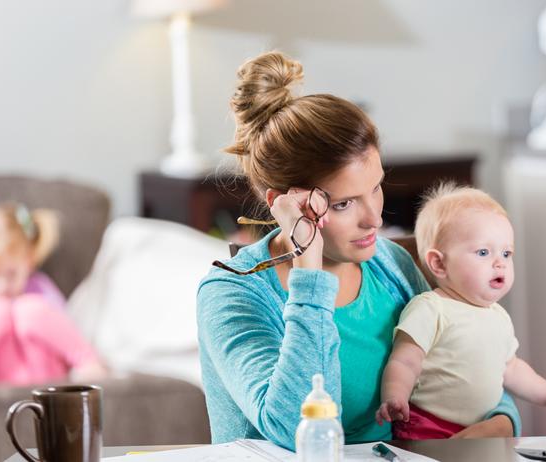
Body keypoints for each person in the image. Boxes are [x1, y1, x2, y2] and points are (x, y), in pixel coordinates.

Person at [197, 51, 522, 450]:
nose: (375, 219)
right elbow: (295, 427)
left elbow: (470, 372)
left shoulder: (393, 266)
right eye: (344, 204)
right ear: (287, 204)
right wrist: (309, 273)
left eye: (375, 188)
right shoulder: (231, 293)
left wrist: (501, 422)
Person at [376, 184, 546, 439]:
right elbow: (405, 361)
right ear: (439, 263)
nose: (499, 262)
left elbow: (512, 369)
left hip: (482, 429)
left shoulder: (498, 316)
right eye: (483, 252)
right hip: (428, 428)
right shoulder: (430, 307)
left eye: (506, 253)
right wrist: (395, 396)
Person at [0, 203, 107, 393]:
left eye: (11, 274)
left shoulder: (40, 287)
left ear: (29, 261)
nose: (1, 286)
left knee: (30, 309)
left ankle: (90, 363)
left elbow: (63, 327)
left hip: (43, 373)